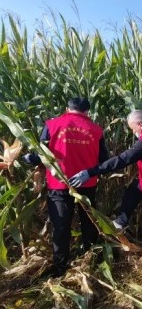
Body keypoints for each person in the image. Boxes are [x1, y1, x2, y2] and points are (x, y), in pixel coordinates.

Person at [23, 97, 109, 277]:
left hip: (59, 184)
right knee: (89, 222)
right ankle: (91, 260)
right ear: (87, 111)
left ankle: (60, 267)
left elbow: (42, 154)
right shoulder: (96, 130)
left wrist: (29, 159)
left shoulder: (52, 125)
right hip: (87, 183)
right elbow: (104, 159)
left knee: (61, 225)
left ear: (67, 108)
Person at [70, 109, 142, 246]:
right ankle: (121, 221)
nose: (133, 132)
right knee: (133, 190)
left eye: (133, 128)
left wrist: (89, 173)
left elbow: (121, 160)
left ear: (140, 125)